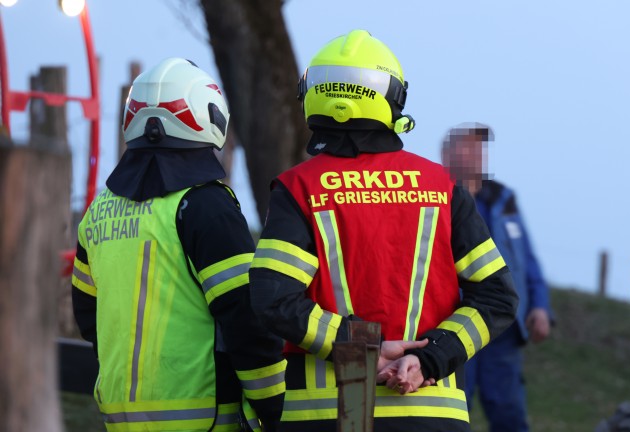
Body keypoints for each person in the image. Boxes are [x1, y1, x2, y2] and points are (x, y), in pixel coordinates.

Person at [248, 30, 518, 432]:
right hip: (431, 416)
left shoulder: (299, 189)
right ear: (392, 98)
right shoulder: (442, 188)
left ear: (311, 94)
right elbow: (498, 298)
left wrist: (364, 346)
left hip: (328, 417)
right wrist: (430, 359)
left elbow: (273, 299)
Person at [71, 58, 286, 432]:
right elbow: (244, 319)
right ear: (209, 116)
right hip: (205, 421)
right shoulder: (206, 205)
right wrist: (274, 408)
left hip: (121, 421)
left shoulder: (99, 211)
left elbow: (88, 318)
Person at [442, 122, 552, 432]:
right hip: (454, 325)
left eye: (480, 148)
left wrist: (540, 306)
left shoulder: (504, 200)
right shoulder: (434, 197)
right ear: (447, 153)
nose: (476, 154)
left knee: (509, 414)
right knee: (452, 412)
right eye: (468, 146)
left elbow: (526, 258)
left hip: (503, 325)